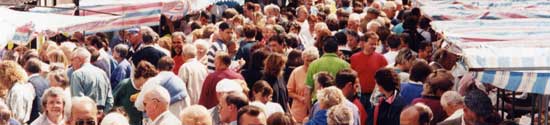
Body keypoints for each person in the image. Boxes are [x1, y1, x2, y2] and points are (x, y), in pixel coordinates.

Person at [351, 31, 388, 114]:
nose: (374, 46)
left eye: (375, 44)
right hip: (359, 95)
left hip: (375, 95)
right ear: (364, 43)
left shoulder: (381, 59)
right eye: (371, 44)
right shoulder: (354, 58)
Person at [69, 48, 113, 112]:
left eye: (72, 60)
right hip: (101, 114)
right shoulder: (102, 73)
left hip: (86, 115)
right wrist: (104, 114)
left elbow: (78, 101)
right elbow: (110, 99)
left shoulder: (77, 74)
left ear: (78, 59)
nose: (71, 63)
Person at [287, 48, 319, 123]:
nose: (310, 63)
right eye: (308, 60)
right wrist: (300, 98)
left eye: (313, 60)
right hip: (299, 112)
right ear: (303, 59)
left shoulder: (319, 72)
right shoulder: (296, 72)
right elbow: (288, 91)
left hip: (315, 112)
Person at [438, 89, 502, 125]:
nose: (481, 119)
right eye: (478, 115)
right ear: (465, 110)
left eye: (484, 115)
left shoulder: (494, 121)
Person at [25, 58, 50, 123]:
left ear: (26, 69)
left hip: (34, 119)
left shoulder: (29, 83)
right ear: (40, 70)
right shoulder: (47, 81)